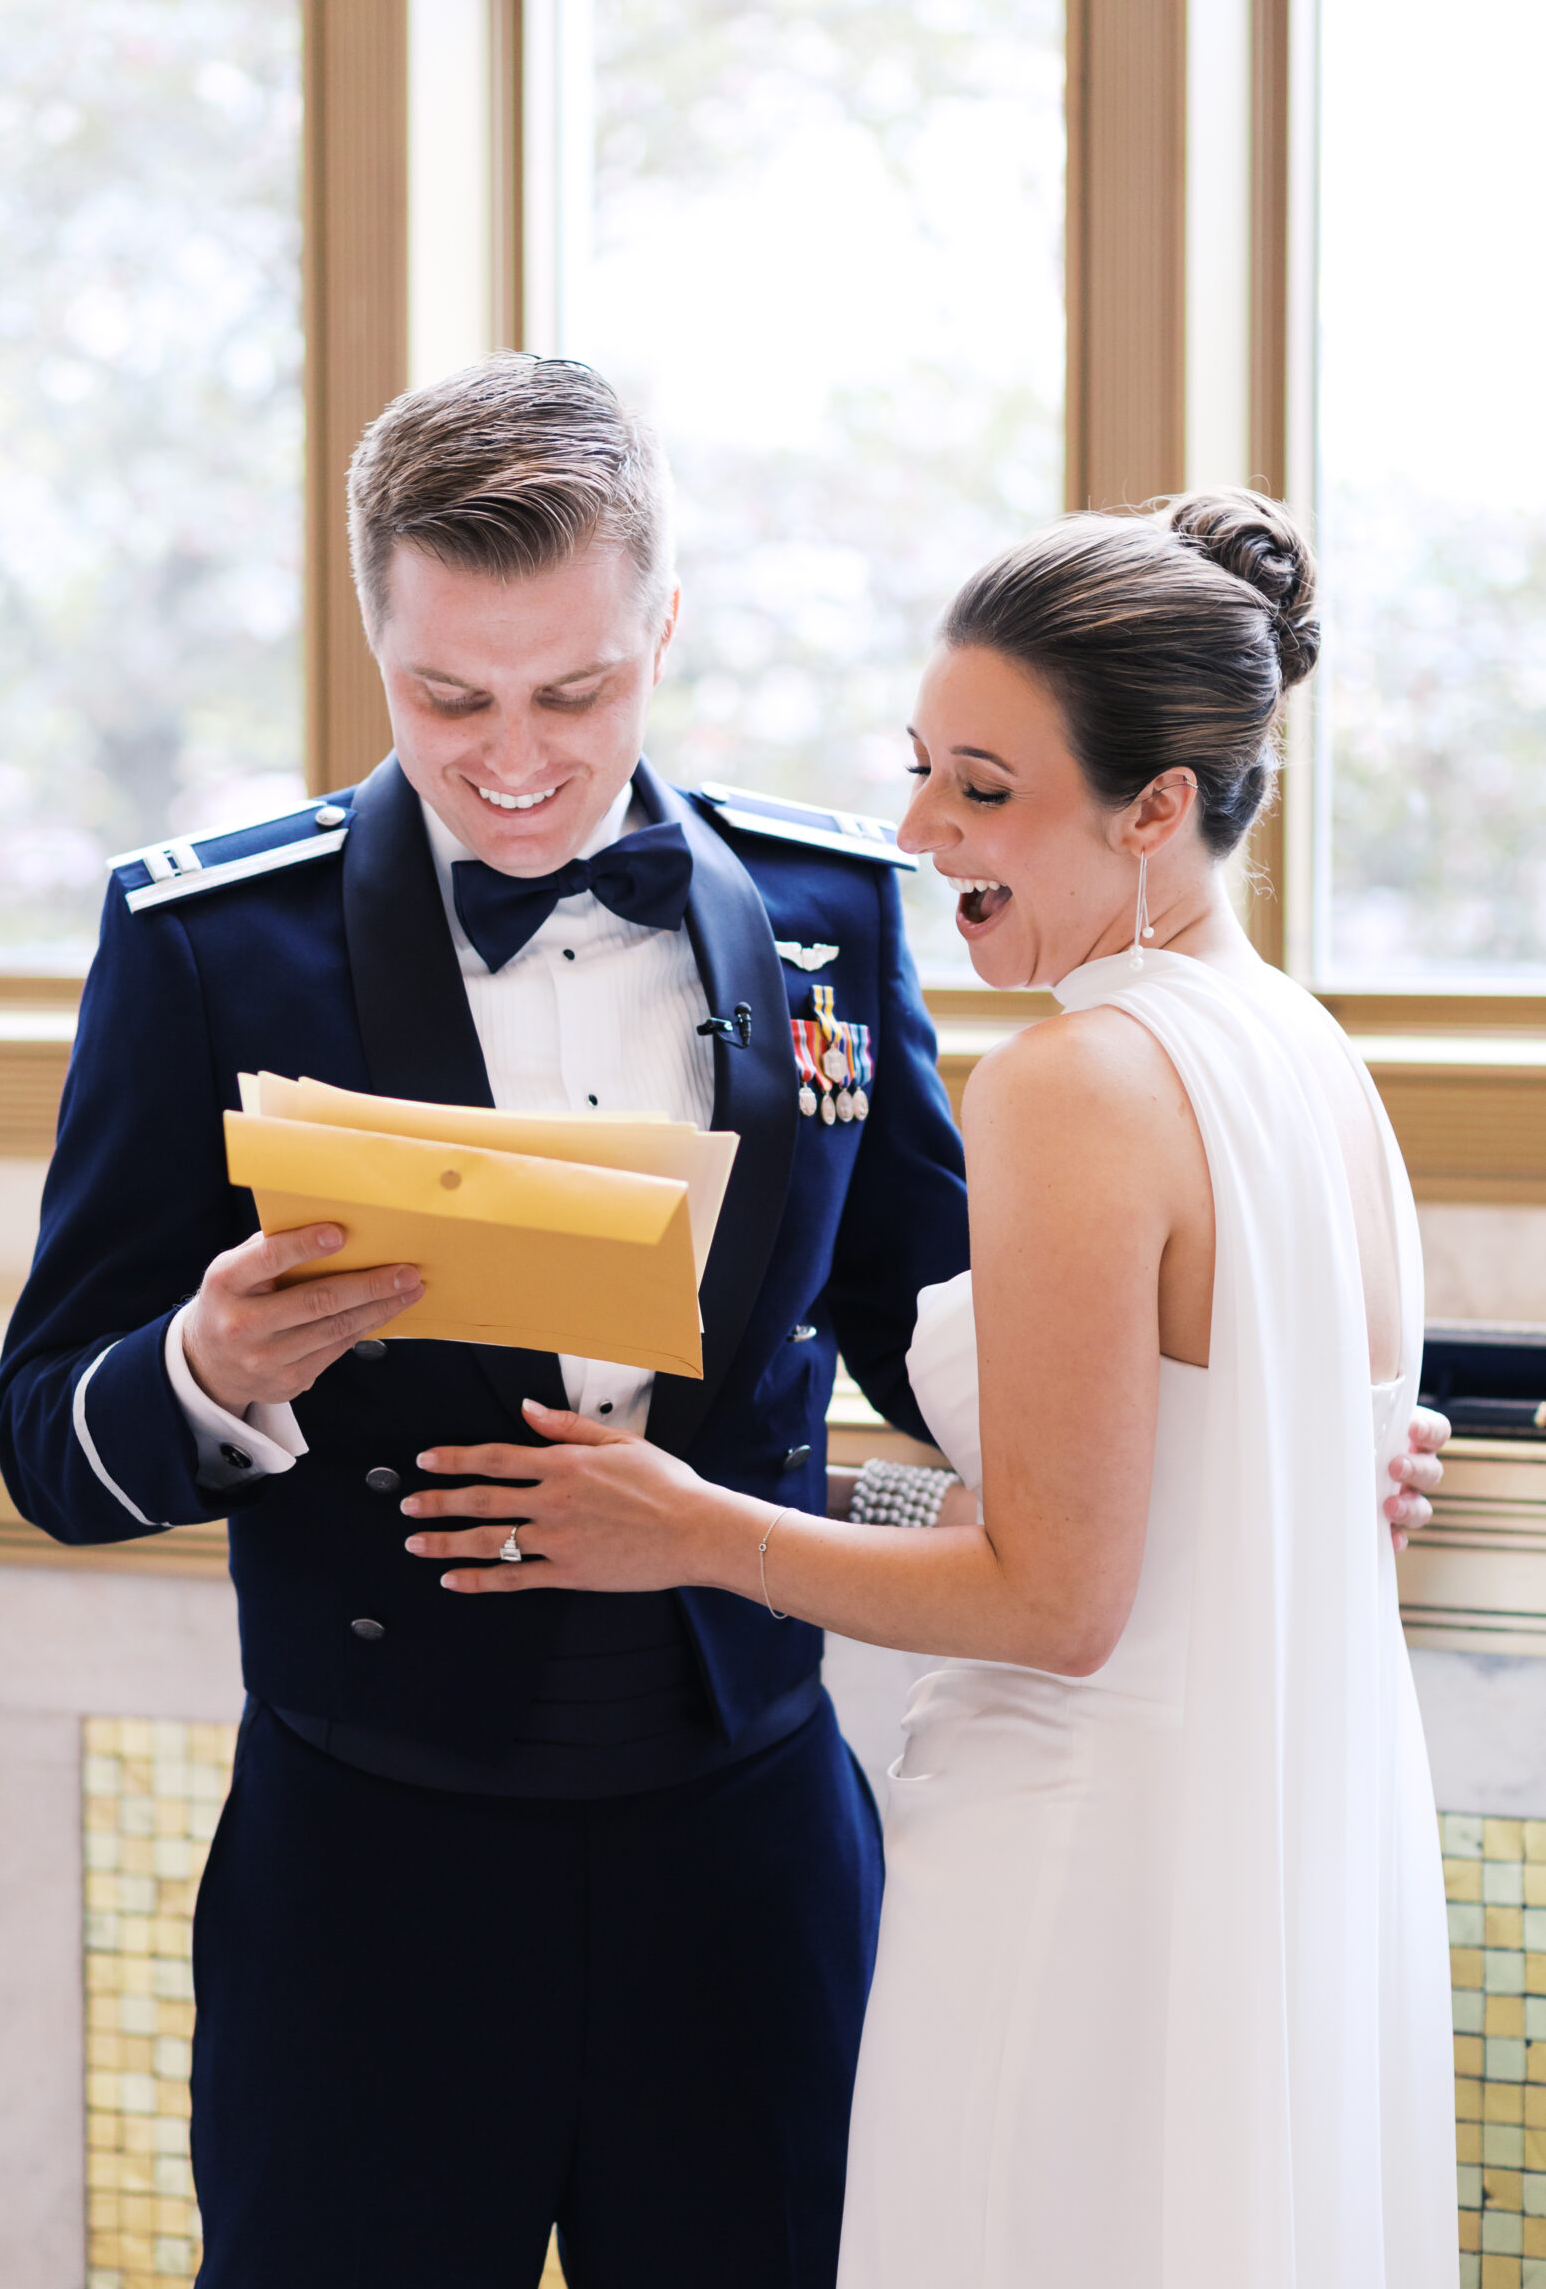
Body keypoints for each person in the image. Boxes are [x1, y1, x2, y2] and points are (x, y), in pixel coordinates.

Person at [0, 353, 976, 2288]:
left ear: (664, 625)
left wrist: (1263, 1433)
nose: (516, 759)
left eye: (578, 691)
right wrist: (206, 1373)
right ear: (375, 640)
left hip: (750, 1842)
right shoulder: (206, 946)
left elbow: (941, 1327)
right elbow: (49, 1441)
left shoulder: (834, 910)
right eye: (450, 699)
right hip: (370, 1869)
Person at [409, 489, 1459, 2287]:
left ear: (1154, 808)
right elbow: (1172, 1491)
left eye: (983, 788)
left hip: (1073, 1891)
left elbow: (1053, 1597)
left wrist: (688, 1527)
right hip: (1257, 1903)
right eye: (921, 769)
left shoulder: (1078, 1082)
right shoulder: (1310, 1060)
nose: (914, 831)